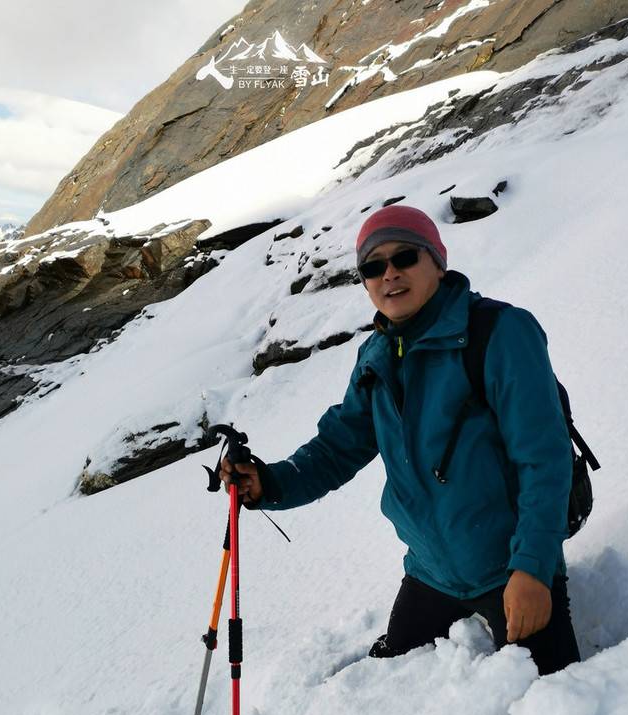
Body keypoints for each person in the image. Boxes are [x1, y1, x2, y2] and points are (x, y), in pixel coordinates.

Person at [219, 205, 580, 675]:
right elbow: (336, 448)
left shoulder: (501, 333)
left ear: (438, 261)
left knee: (556, 698)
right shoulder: (377, 356)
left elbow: (544, 459)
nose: (388, 274)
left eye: (405, 257)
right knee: (388, 674)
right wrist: (268, 483)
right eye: (373, 266)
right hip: (432, 573)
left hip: (510, 566)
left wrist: (533, 568)